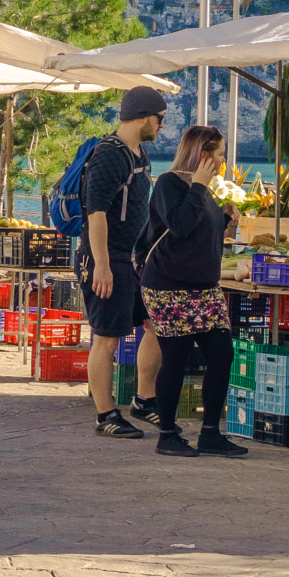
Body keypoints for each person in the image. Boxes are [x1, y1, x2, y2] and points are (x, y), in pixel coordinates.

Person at [140, 124, 248, 458]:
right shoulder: (170, 184)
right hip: (169, 287)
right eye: (220, 154)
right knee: (175, 359)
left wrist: (226, 219)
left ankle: (211, 432)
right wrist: (200, 187)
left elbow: (202, 234)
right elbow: (180, 224)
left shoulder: (205, 190)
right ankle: (167, 434)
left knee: (222, 354)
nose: (223, 161)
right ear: (203, 156)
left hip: (204, 290)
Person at [79, 85, 166, 439]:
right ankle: (105, 414)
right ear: (144, 116)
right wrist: (101, 264)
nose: (162, 126)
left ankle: (145, 399)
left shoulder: (139, 154)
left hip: (132, 260)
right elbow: (95, 212)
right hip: (107, 259)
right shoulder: (109, 154)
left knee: (158, 323)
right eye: (159, 119)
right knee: (106, 339)